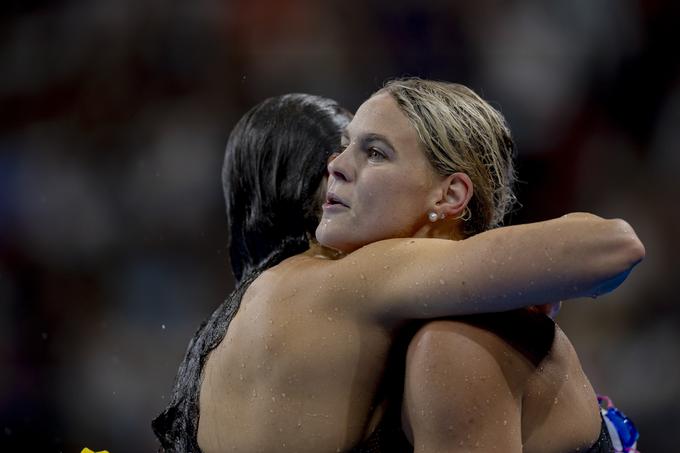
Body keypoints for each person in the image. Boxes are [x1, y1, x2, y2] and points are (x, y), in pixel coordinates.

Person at [153, 86, 644, 453]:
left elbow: (614, 244)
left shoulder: (452, 338)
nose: (338, 166)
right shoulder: (368, 293)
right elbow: (607, 244)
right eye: (344, 147)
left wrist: (533, 274)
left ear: (449, 195)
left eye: (374, 152)